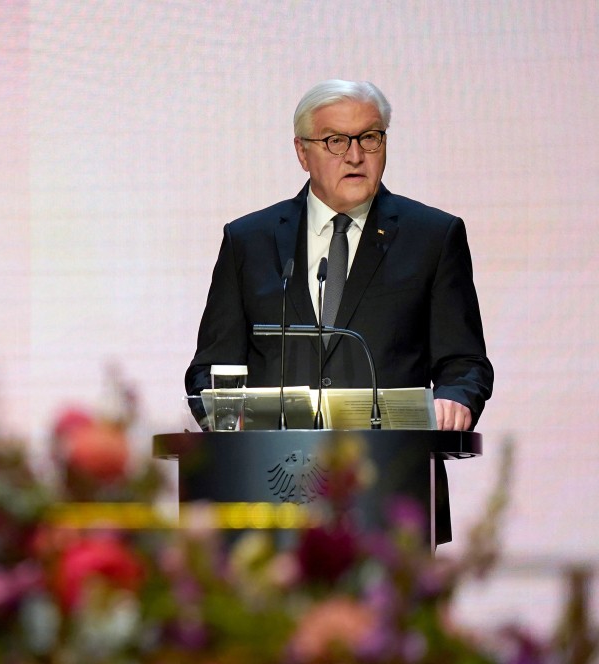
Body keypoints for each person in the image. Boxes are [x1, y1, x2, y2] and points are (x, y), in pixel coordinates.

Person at [185, 79, 493, 433]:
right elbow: (210, 367)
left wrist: (455, 399)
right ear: (302, 152)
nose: (355, 155)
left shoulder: (433, 237)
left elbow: (464, 362)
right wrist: (226, 416)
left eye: (370, 138)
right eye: (336, 141)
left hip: (392, 471)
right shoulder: (248, 241)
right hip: (273, 472)